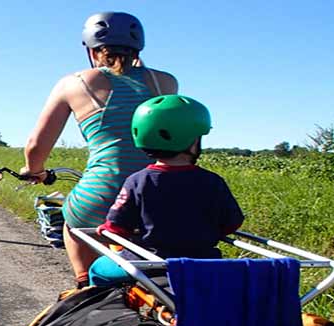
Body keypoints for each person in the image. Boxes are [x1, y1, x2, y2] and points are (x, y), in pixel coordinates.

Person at [18, 12, 179, 288]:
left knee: (71, 220)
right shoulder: (165, 82)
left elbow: (35, 146)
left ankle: (85, 288)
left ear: (90, 50)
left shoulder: (74, 83)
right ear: (138, 48)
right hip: (162, 192)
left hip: (102, 193)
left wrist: (34, 171)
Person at [102, 95, 243, 259]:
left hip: (150, 263)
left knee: (97, 270)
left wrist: (106, 229)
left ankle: (85, 282)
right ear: (192, 140)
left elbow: (116, 226)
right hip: (203, 263)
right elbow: (232, 223)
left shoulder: (137, 181)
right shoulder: (213, 181)